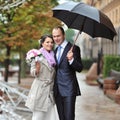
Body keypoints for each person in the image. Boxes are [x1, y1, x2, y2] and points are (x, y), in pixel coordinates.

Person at [52, 26, 83, 120]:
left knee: (69, 117)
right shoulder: (55, 50)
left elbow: (80, 68)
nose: (56, 38)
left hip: (69, 89)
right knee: (61, 117)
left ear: (64, 35)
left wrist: (71, 59)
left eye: (58, 36)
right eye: (54, 36)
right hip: (57, 90)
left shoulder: (74, 49)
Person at [25, 34, 59, 120]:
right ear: (42, 43)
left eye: (51, 42)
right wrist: (37, 69)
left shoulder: (54, 56)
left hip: (50, 92)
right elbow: (32, 72)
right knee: (38, 117)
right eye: (47, 42)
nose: (50, 44)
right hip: (40, 91)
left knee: (51, 117)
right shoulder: (37, 55)